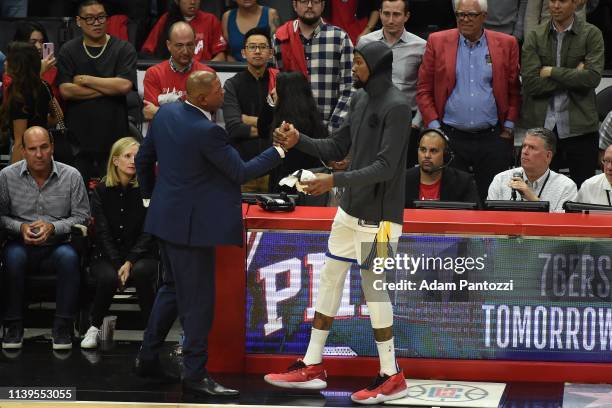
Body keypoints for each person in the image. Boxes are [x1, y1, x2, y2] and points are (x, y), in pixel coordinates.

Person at [264, 41, 411, 405]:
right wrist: (300, 141)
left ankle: (392, 375)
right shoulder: (360, 100)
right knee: (329, 280)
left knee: (374, 289)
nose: (354, 69)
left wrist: (332, 181)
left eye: (359, 63)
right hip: (349, 212)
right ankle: (313, 365)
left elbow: (386, 168)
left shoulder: (397, 106)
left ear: (376, 67)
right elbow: (335, 147)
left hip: (383, 222)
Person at [134, 70, 287, 396]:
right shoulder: (206, 131)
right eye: (218, 88)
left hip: (165, 221)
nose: (223, 90)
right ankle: (195, 374)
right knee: (199, 303)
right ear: (203, 98)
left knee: (172, 290)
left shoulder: (167, 113)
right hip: (192, 230)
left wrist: (150, 198)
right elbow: (241, 172)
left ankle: (147, 358)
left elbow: (143, 157)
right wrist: (279, 151)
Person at [416, 0, 521, 202]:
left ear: (484, 16)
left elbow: (514, 90)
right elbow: (423, 89)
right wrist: (436, 128)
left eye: (470, 15)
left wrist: (508, 126)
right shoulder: (437, 41)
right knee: (453, 200)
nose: (464, 19)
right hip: (450, 136)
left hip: (493, 137)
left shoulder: (507, 43)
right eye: (460, 14)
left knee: (491, 199)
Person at [0, 126, 90, 351]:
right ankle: (13, 326)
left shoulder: (72, 175)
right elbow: (0, 216)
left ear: (52, 147)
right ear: (22, 150)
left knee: (69, 258)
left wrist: (53, 227)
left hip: (58, 244)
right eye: (32, 149)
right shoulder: (6, 176)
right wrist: (20, 228)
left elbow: (82, 217)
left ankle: (63, 326)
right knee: (12, 258)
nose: (38, 154)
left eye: (43, 147)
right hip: (20, 243)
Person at [80, 137, 158, 349]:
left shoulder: (148, 189)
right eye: (127, 156)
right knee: (107, 277)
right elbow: (102, 232)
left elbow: (149, 231)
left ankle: (151, 333)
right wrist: (118, 264)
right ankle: (93, 328)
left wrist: (130, 261)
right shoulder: (101, 191)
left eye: (137, 157)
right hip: (107, 254)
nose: (133, 161)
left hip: (141, 254)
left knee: (142, 272)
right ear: (115, 161)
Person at [520, 0, 604, 188]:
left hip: (581, 127)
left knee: (583, 191)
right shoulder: (534, 35)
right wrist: (574, 74)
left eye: (563, 1)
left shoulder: (591, 34)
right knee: (542, 191)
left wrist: (551, 71)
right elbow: (531, 84)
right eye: (552, 0)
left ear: (576, 4)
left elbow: (592, 78)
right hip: (543, 129)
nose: (555, 5)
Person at [57, 0, 137, 183]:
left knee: (113, 198)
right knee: (77, 196)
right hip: (77, 141)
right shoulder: (68, 51)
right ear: (79, 21)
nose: (97, 22)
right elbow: (66, 91)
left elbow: (124, 86)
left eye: (101, 17)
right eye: (90, 18)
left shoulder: (123, 49)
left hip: (114, 141)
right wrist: (110, 88)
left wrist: (86, 80)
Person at [358, 0, 426, 167]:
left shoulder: (421, 46)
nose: (390, 20)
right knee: (368, 175)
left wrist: (416, 123)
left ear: (406, 16)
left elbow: (425, 87)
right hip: (370, 118)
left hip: (405, 120)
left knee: (402, 177)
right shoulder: (365, 42)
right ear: (379, 13)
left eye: (396, 14)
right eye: (386, 14)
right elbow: (356, 83)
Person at [274, 0, 354, 134]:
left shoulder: (339, 38)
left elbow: (350, 87)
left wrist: (333, 129)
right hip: (290, 131)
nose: (310, 6)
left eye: (316, 1)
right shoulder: (281, 38)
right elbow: (274, 87)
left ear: (323, 6)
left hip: (329, 132)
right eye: (304, 1)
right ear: (294, 5)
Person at [223, 27, 278, 192]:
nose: (257, 51)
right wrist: (269, 127)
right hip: (243, 169)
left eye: (262, 47)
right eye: (252, 47)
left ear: (270, 53)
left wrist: (247, 119)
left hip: (276, 170)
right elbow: (234, 128)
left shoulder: (280, 82)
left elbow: (287, 123)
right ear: (244, 52)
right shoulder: (232, 84)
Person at [258, 71, 328, 195]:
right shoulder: (313, 118)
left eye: (277, 87)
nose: (273, 91)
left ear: (286, 93)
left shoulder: (288, 127)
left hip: (289, 189)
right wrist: (271, 102)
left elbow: (263, 132)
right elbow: (262, 129)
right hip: (308, 189)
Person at [487, 127, 577, 212]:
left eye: (532, 148)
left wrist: (532, 199)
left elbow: (562, 224)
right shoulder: (501, 179)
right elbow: (490, 219)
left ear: (548, 156)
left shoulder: (566, 186)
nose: (524, 152)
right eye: (524, 146)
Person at [0, 42, 61, 164]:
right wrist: (39, 122)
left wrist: (13, 179)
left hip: (27, 155)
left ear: (19, 65)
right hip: (44, 150)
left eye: (9, 60)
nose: (5, 63)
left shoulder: (18, 93)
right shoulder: (44, 85)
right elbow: (58, 116)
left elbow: (19, 142)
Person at [142, 21, 214, 121]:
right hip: (164, 135)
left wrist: (159, 112)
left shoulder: (207, 75)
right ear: (168, 45)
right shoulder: (154, 74)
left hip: (195, 135)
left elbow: (204, 117)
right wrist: (189, 115)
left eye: (189, 45)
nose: (185, 51)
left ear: (195, 44)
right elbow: (149, 114)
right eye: (179, 45)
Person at [405, 128, 480, 207]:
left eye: (433, 151)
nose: (427, 155)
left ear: (445, 155)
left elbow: (475, 216)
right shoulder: (403, 181)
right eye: (423, 150)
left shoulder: (463, 182)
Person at [141, 0, 227, 62]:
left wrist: (205, 69)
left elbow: (221, 55)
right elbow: (147, 51)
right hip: (173, 72)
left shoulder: (211, 20)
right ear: (177, 1)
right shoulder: (166, 19)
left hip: (202, 74)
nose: (193, 2)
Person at [5, 21, 60, 102]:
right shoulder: (12, 70)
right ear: (21, 44)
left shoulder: (52, 70)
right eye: (32, 42)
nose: (39, 47)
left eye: (41, 42)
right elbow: (18, 101)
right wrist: (40, 72)